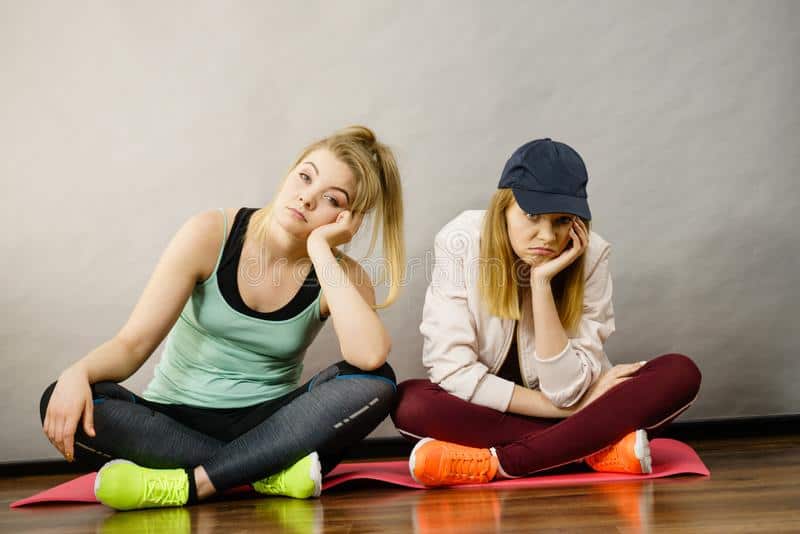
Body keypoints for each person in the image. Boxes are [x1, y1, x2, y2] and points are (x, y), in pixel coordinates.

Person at [40, 125, 405, 510]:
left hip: (272, 426)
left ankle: (192, 483)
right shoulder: (211, 233)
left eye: (331, 198)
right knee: (60, 399)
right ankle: (265, 475)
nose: (306, 197)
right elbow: (132, 345)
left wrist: (319, 248)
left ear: (348, 218)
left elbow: (368, 358)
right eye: (305, 176)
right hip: (173, 424)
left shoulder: (337, 273)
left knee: (376, 383)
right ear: (290, 172)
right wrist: (76, 373)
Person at [391, 138, 701, 486]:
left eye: (562, 220)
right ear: (503, 206)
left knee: (679, 373)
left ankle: (501, 463)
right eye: (532, 215)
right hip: (491, 409)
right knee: (411, 403)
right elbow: (453, 370)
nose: (547, 235)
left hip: (566, 400)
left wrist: (541, 284)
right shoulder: (460, 241)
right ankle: (593, 449)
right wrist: (570, 413)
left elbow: (566, 390)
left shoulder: (591, 255)